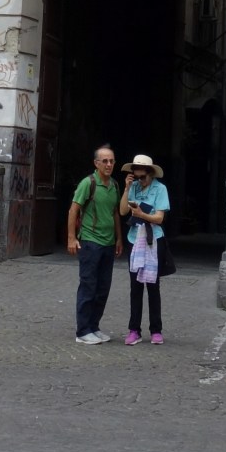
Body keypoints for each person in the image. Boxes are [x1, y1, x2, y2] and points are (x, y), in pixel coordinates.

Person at [66, 144, 122, 345]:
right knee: (88, 286)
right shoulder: (87, 183)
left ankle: (94, 327)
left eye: (112, 161)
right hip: (90, 242)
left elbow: (115, 213)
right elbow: (73, 210)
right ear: (96, 163)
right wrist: (72, 238)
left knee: (103, 288)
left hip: (108, 243)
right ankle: (82, 331)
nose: (109, 164)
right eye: (104, 161)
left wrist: (119, 238)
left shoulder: (114, 185)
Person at [119, 154, 170, 346]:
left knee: (153, 286)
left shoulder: (160, 189)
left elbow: (159, 218)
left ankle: (156, 330)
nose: (140, 180)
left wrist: (142, 214)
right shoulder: (133, 187)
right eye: (136, 177)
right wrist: (126, 188)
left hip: (154, 239)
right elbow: (123, 211)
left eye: (143, 177)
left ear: (150, 174)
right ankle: (134, 330)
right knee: (135, 287)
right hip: (134, 239)